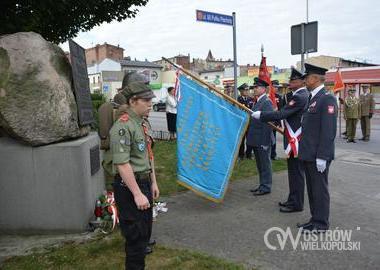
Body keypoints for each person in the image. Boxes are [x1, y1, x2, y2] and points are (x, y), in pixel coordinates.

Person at [110, 80, 160, 269]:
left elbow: (149, 154)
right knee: (135, 239)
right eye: (146, 100)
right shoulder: (123, 126)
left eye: (150, 100)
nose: (150, 104)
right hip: (130, 188)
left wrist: (153, 182)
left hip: (144, 183)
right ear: (133, 101)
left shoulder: (141, 124)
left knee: (144, 234)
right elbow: (122, 164)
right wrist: (138, 193)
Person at [252, 68, 308, 212]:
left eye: (293, 80)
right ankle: (292, 200)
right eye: (290, 80)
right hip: (292, 139)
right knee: (294, 174)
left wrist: (262, 115)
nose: (290, 82)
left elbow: (282, 113)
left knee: (296, 174)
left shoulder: (300, 96)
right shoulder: (297, 95)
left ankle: (296, 203)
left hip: (296, 140)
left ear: (302, 82)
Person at [297, 63, 337, 233]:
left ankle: (321, 224)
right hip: (309, 154)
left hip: (318, 156)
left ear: (314, 78)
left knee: (319, 191)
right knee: (313, 190)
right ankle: (314, 220)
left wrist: (323, 156)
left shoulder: (326, 99)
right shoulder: (313, 98)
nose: (304, 80)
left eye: (306, 77)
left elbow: (328, 132)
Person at [247, 77, 274, 196]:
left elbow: (268, 124)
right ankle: (262, 185)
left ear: (263, 89)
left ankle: (266, 186)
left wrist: (264, 142)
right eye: (254, 87)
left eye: (256, 87)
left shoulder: (266, 102)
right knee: (260, 164)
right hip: (256, 139)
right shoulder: (258, 101)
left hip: (263, 139)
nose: (254, 89)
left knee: (265, 164)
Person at [237, 83, 254, 160]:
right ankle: (241, 155)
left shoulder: (251, 99)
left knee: (250, 139)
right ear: (241, 91)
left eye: (248, 90)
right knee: (242, 140)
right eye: (245, 90)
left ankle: (249, 154)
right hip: (242, 122)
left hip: (250, 122)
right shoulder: (238, 99)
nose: (247, 91)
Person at [270, 80, 283, 160]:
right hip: (268, 121)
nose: (276, 89)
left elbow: (280, 110)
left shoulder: (279, 96)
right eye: (275, 87)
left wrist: (279, 122)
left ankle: (273, 154)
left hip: (275, 121)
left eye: (277, 87)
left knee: (273, 139)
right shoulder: (268, 96)